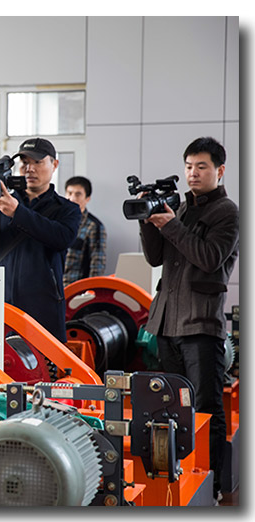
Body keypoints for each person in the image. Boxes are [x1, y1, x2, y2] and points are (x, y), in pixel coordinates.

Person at [139, 136, 238, 502]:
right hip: (167, 322)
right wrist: (149, 221)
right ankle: (182, 479)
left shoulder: (228, 212)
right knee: (174, 408)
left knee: (207, 408)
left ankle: (213, 485)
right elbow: (155, 258)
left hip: (201, 324)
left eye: (201, 167)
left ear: (219, 170)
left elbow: (209, 258)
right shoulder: (179, 209)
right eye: (189, 166)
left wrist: (170, 225)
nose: (193, 173)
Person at [0, 137, 81, 344]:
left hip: (43, 309)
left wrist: (17, 212)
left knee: (44, 363)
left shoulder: (67, 209)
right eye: (24, 162)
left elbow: (61, 238)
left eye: (37, 162)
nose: (29, 169)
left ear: (54, 164)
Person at [62, 176, 107, 286]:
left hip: (75, 290)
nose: (72, 198)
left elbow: (97, 265)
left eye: (78, 194)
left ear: (87, 198)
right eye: (69, 193)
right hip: (52, 287)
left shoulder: (94, 226)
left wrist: (90, 291)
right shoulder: (58, 221)